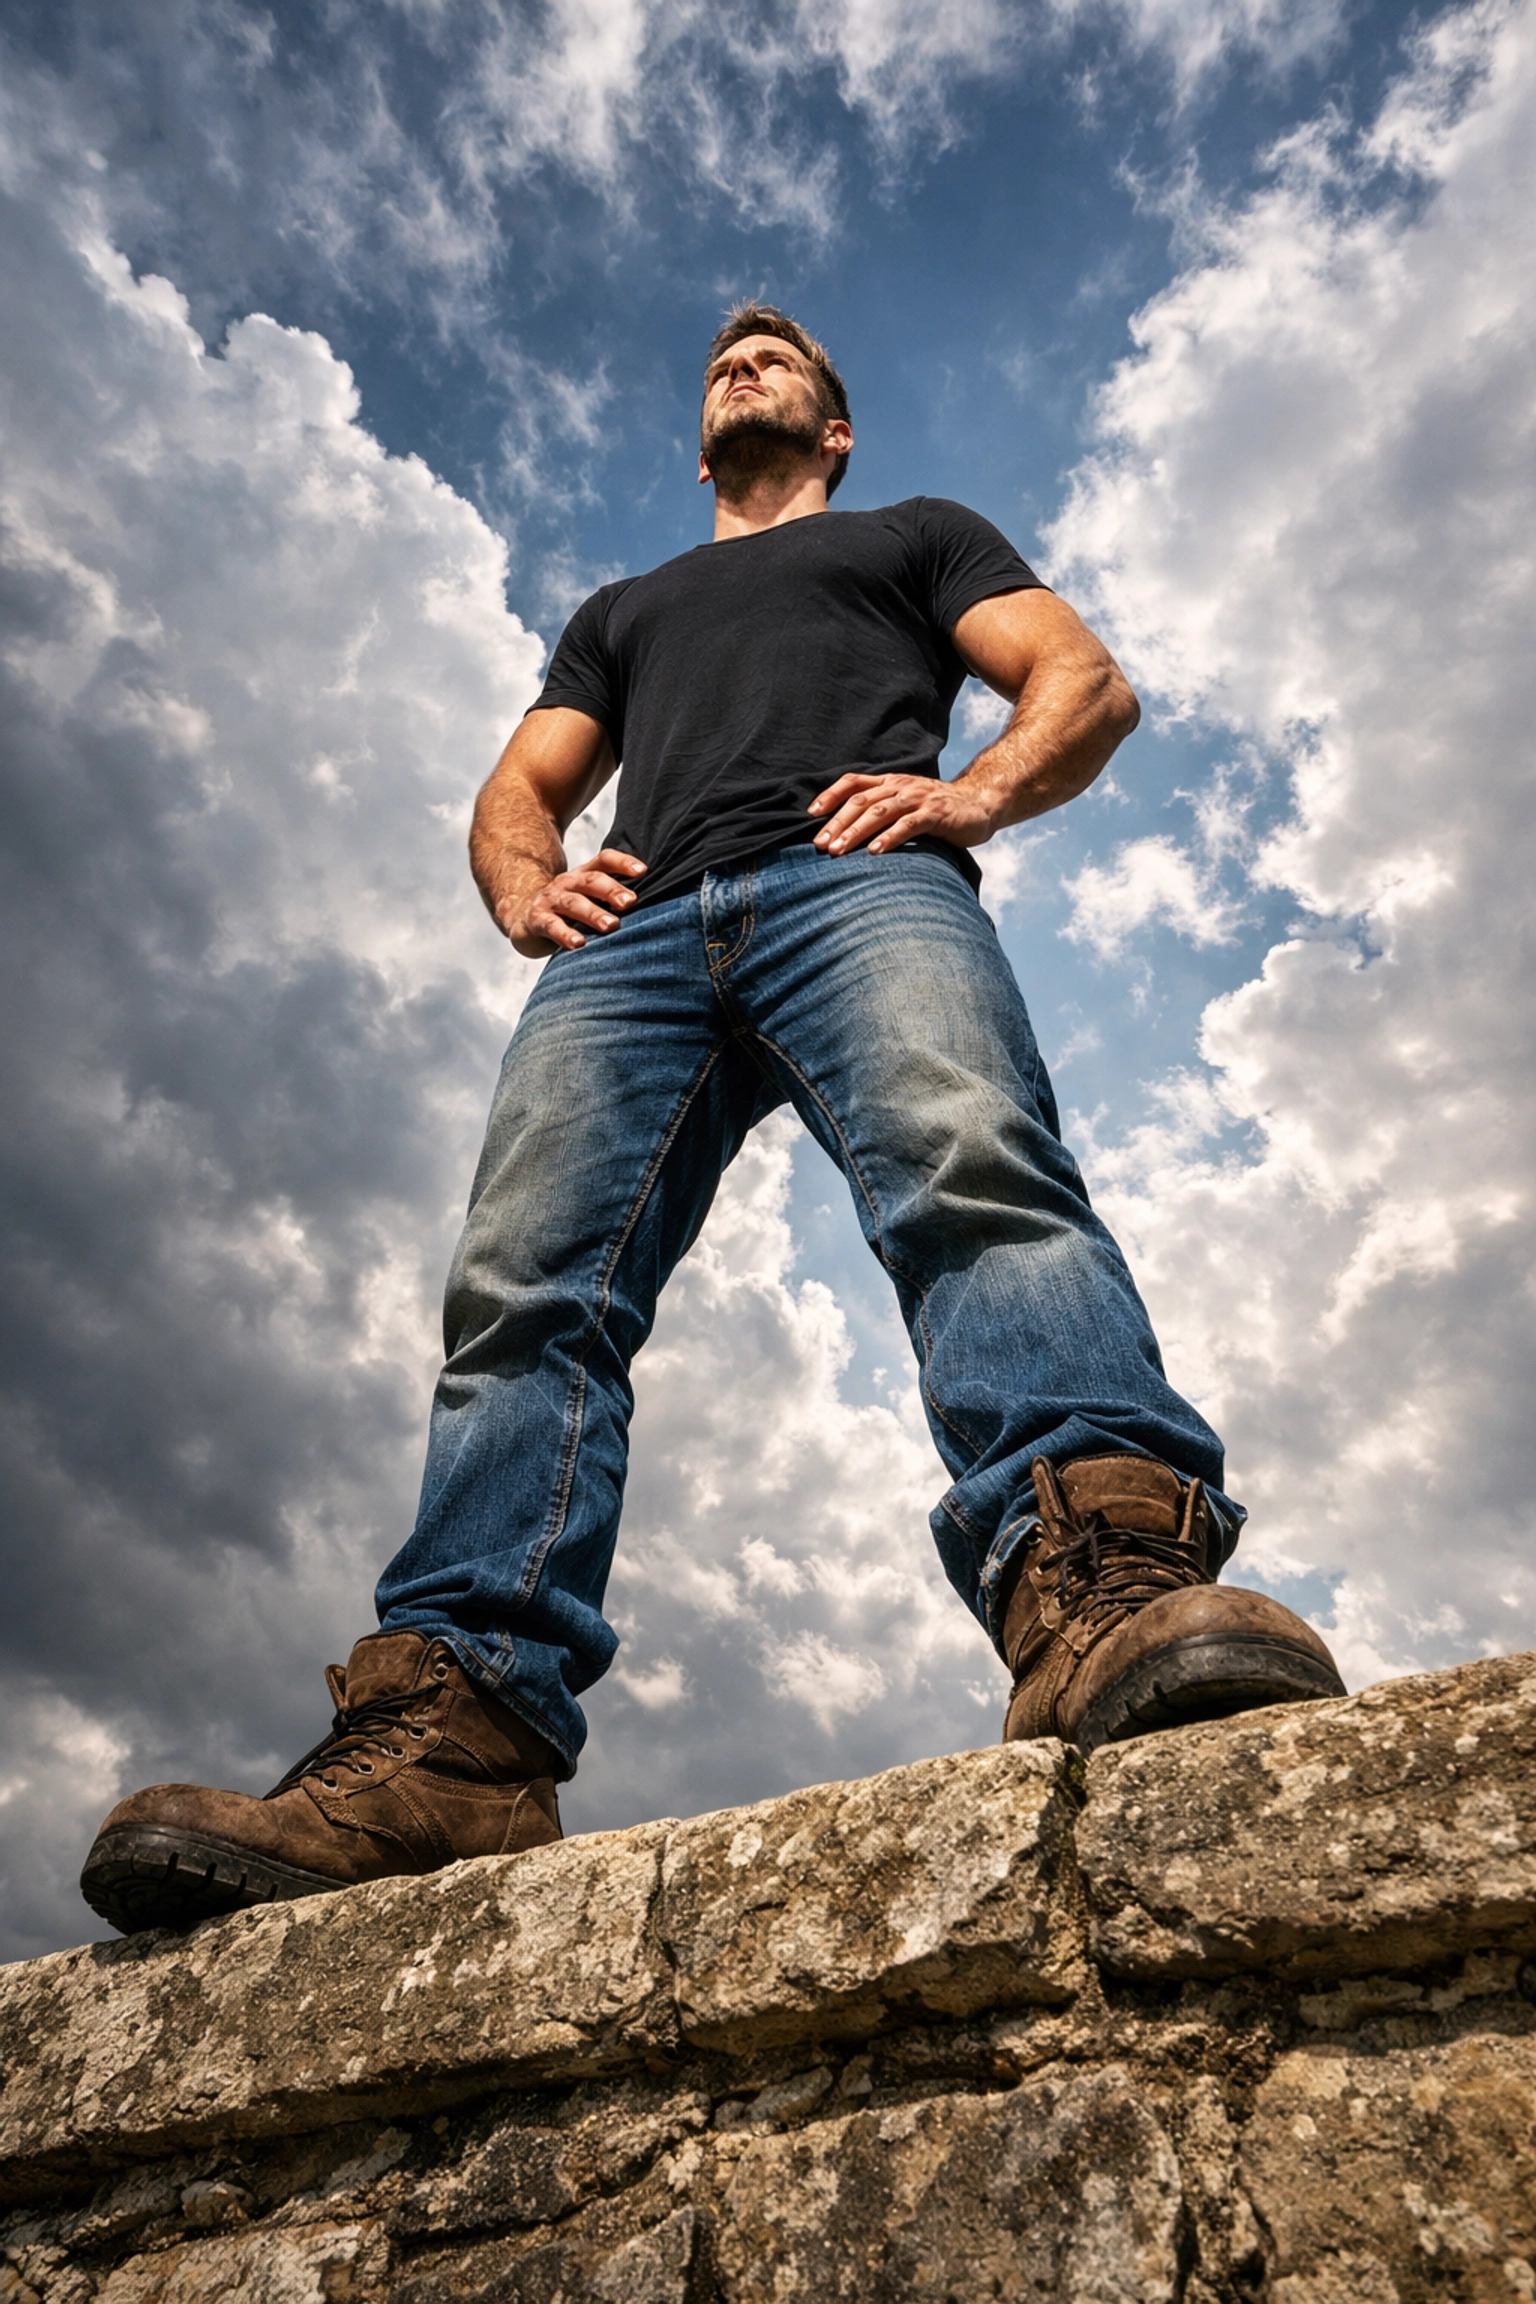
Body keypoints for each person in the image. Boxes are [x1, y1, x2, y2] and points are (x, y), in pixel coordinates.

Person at [81, 305, 1343, 1937]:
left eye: (784, 360)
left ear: (833, 431)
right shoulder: (626, 608)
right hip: (639, 943)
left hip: (859, 885)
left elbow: (1080, 682)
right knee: (524, 1295)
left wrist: (967, 797)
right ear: (699, 444)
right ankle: (454, 1740)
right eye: (721, 365)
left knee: (974, 1180)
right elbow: (519, 786)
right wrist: (528, 883)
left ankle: (1102, 1581)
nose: (741, 362)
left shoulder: (916, 534)